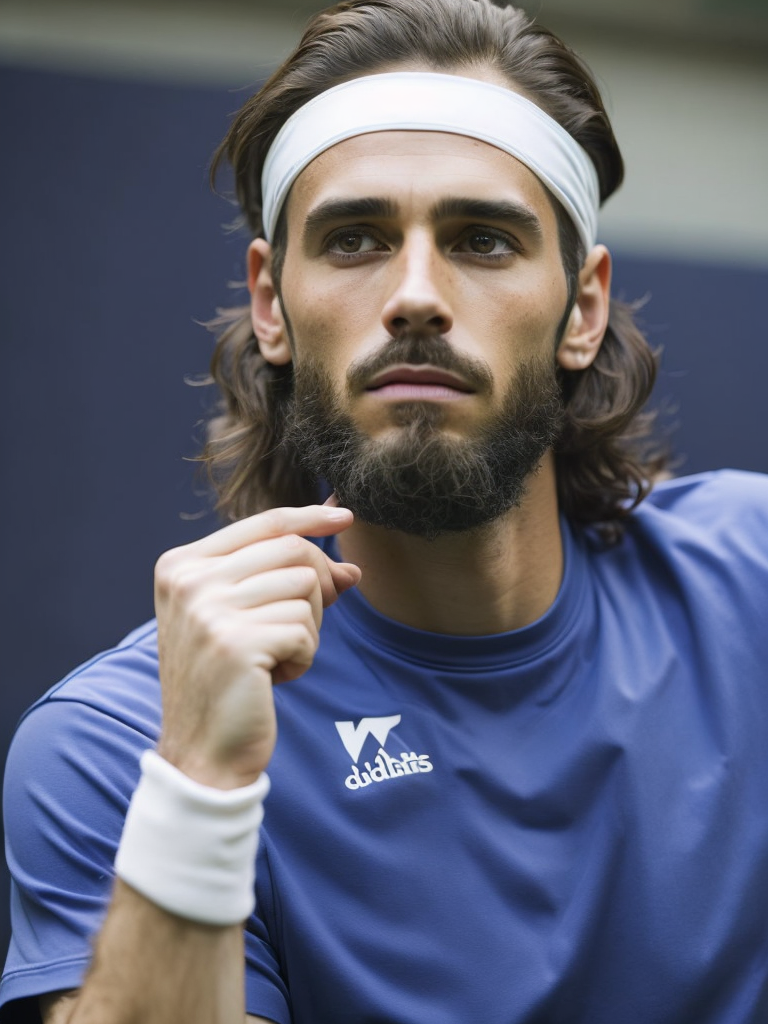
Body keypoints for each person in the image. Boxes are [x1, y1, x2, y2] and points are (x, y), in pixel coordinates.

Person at [2, 0, 768, 1020]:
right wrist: (199, 794)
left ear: (581, 309)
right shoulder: (122, 746)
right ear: (272, 303)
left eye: (484, 240)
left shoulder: (753, 591)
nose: (415, 293)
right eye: (356, 238)